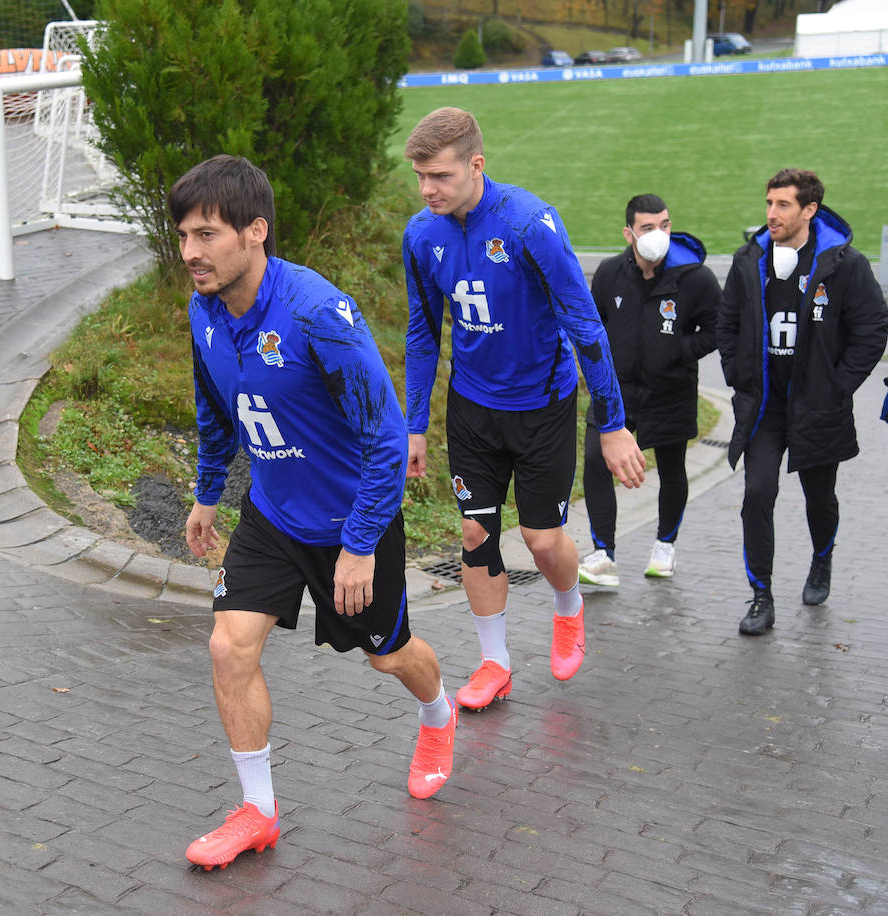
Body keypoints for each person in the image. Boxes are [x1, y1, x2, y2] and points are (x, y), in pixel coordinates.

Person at [175, 155, 457, 871]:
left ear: (256, 232)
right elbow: (217, 410)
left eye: (206, 235)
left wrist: (361, 544)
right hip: (271, 512)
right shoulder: (203, 312)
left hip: (351, 520)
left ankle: (438, 714)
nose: (190, 253)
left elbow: (386, 436)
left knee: (387, 656)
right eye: (183, 235)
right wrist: (210, 494)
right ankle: (258, 812)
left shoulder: (315, 313)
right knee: (226, 647)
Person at [401, 107, 645, 711]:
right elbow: (421, 333)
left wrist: (611, 424)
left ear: (476, 165)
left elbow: (585, 325)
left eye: (440, 176)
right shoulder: (421, 235)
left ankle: (568, 608)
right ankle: (495, 663)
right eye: (420, 177)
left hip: (543, 406)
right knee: (476, 534)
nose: (428, 189)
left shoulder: (529, 223)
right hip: (472, 410)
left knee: (540, 539)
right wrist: (413, 427)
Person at [718, 168, 888, 635]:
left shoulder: (843, 264)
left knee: (820, 498)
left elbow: (872, 329)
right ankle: (761, 596)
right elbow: (726, 324)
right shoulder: (747, 260)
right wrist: (739, 376)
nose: (772, 213)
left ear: (809, 210)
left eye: (783, 205)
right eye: (769, 203)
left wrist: (837, 385)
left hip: (818, 405)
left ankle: (821, 559)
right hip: (765, 407)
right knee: (757, 494)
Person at [577, 194, 720, 587]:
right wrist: (596, 373)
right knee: (595, 460)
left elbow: (716, 329)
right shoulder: (608, 274)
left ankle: (665, 544)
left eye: (665, 225)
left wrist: (679, 351)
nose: (659, 234)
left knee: (672, 468)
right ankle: (603, 552)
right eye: (648, 227)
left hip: (670, 391)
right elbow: (593, 328)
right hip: (617, 392)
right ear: (629, 233)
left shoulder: (695, 278)